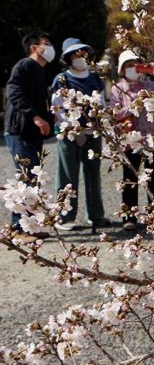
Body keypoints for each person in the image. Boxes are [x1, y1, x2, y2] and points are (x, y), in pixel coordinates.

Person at [50, 38, 110, 231]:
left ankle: (96, 215)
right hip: (69, 133)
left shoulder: (95, 78)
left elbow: (101, 102)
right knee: (68, 174)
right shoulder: (62, 79)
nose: (79, 58)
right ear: (67, 58)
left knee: (93, 174)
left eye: (82, 54)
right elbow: (57, 108)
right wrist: (71, 127)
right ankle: (65, 216)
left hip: (93, 131)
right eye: (75, 55)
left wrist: (99, 123)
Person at [4, 31, 55, 242]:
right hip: (20, 131)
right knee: (26, 179)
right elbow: (13, 91)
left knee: (34, 180)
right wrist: (35, 117)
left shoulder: (40, 71)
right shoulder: (25, 65)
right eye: (46, 43)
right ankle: (18, 228)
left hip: (32, 133)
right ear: (34, 48)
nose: (50, 46)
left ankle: (30, 226)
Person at [110, 50, 154, 231]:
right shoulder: (117, 89)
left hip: (152, 140)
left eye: (136, 64)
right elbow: (115, 114)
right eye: (128, 65)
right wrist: (133, 106)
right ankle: (129, 216)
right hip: (130, 141)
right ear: (121, 69)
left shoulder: (152, 87)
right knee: (130, 179)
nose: (132, 68)